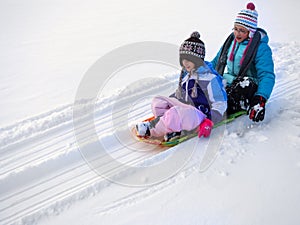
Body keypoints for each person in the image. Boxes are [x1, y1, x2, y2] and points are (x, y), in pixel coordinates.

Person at [136, 32, 227, 141]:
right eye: (183, 59)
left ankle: (150, 129)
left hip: (200, 115)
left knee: (177, 113)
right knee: (158, 101)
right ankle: (170, 125)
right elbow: (181, 94)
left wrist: (209, 121)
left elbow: (220, 104)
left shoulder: (210, 79)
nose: (185, 63)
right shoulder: (187, 75)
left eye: (189, 60)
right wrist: (170, 101)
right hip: (186, 109)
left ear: (197, 60)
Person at [210, 2, 275, 122]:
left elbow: (267, 75)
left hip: (248, 87)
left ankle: (216, 109)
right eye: (235, 29)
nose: (237, 33)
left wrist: (260, 98)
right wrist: (200, 68)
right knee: (211, 85)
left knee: (243, 85)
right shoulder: (231, 41)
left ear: (250, 32)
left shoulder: (261, 48)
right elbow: (215, 62)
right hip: (230, 82)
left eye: (242, 30)